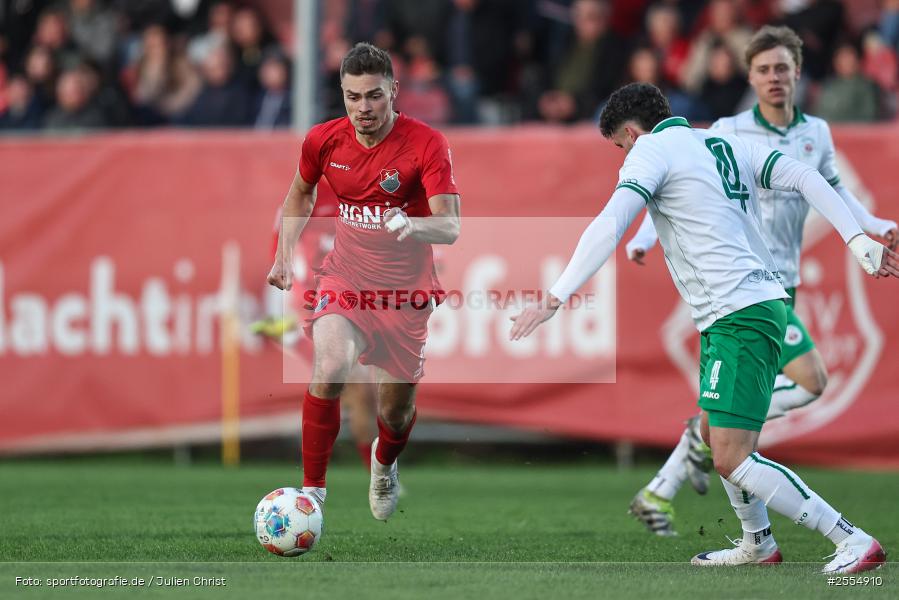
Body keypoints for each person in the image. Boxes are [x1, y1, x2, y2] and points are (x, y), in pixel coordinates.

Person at [509, 81, 897, 573]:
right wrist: (856, 238)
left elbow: (611, 222)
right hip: (747, 306)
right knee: (717, 434)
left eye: (618, 147)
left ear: (630, 132)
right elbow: (803, 174)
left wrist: (555, 296)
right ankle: (757, 543)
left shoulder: (650, 149)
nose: (622, 156)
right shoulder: (720, 141)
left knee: (732, 457)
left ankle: (852, 539)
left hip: (738, 312)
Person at [626, 25, 898, 537]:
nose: (774, 78)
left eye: (782, 68)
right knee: (812, 379)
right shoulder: (729, 131)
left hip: (781, 284)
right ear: (749, 77)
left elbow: (835, 188)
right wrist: (643, 235)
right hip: (746, 285)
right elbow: (674, 184)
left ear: (798, 71)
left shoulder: (815, 131)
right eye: (763, 69)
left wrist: (878, 228)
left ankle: (688, 474)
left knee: (736, 417)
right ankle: (691, 466)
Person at [266, 42, 460, 522]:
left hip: (405, 294)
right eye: (353, 97)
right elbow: (300, 194)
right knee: (330, 366)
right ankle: (312, 495)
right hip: (346, 278)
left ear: (393, 91)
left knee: (393, 414)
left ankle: (383, 462)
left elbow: (450, 226)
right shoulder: (323, 141)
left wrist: (412, 225)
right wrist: (284, 255)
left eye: (374, 96)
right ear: (342, 94)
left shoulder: (425, 144)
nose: (363, 108)